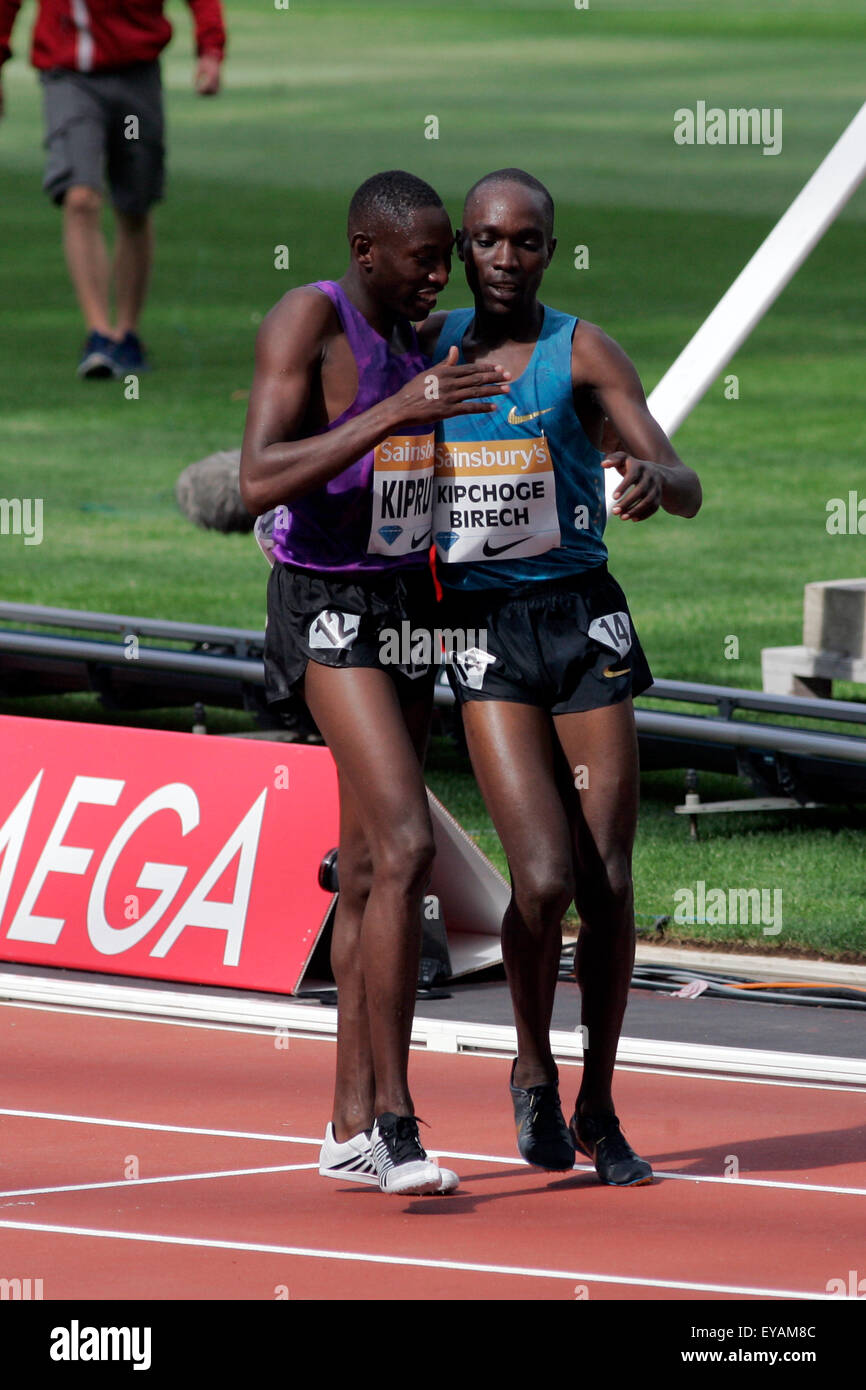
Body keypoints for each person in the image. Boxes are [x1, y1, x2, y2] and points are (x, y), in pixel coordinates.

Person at [418, 168, 701, 1186]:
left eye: (525, 241)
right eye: (487, 240)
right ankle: (529, 1060)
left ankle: (599, 1098)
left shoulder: (580, 351)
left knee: (607, 878)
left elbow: (684, 483)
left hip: (584, 621)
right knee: (538, 876)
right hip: (487, 632)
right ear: (461, 245)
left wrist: (649, 480)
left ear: (549, 248)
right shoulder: (429, 349)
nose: (505, 258)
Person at [239, 170, 510, 1195]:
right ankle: (396, 1120)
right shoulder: (308, 318)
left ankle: (346, 1125)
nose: (436, 275)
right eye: (421, 258)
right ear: (365, 250)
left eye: (449, 257)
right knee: (404, 843)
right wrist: (397, 408)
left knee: (364, 872)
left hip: (406, 608)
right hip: (322, 605)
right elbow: (259, 473)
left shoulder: (427, 332)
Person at [0, 0, 226, 378]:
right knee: (80, 197)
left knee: (135, 204)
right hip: (69, 77)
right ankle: (98, 334)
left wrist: (211, 50)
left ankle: (127, 333)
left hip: (135, 77)